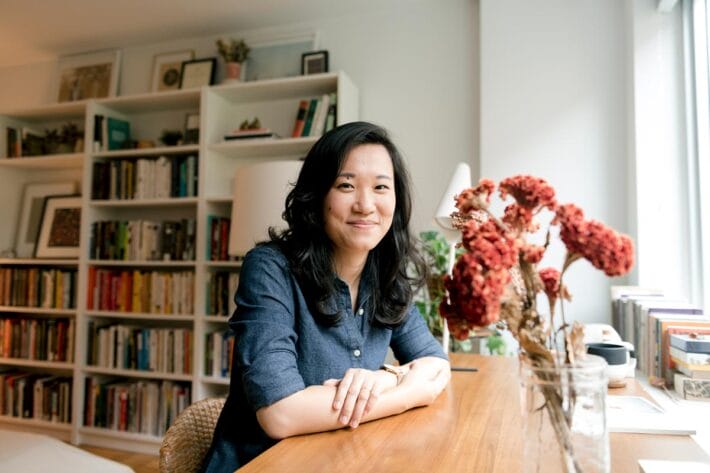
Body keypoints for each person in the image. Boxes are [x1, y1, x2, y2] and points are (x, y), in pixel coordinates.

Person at [201, 121, 451, 472]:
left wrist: (383, 378)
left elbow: (437, 366)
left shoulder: (385, 276)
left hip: (345, 460)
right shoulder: (271, 268)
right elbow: (281, 413)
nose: (366, 205)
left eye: (381, 187)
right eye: (346, 185)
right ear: (317, 195)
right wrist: (408, 392)